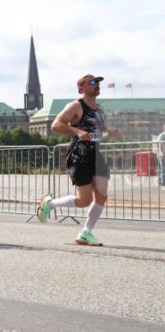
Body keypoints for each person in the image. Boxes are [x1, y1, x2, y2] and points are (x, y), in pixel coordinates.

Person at [37, 75, 122, 246]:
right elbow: (56, 125)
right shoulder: (76, 105)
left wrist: (110, 133)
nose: (96, 85)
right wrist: (77, 132)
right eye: (92, 82)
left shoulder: (100, 109)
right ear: (81, 87)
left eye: (98, 83)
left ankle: (85, 233)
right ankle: (50, 203)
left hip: (96, 155)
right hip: (79, 154)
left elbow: (99, 132)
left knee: (102, 196)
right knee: (84, 200)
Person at [156, 123, 165, 187]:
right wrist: (163, 154)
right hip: (162, 154)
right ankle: (163, 182)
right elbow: (160, 145)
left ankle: (161, 181)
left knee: (163, 168)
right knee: (163, 168)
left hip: (162, 154)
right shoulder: (162, 135)